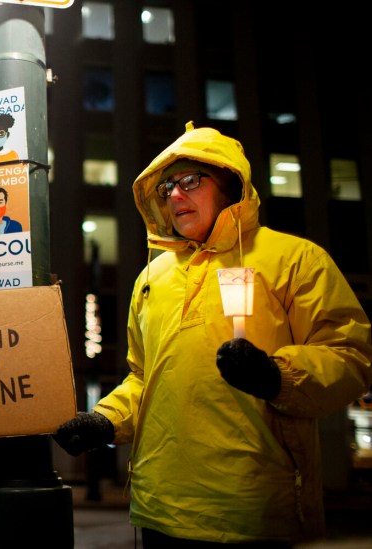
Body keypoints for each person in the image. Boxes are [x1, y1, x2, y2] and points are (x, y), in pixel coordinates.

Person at [53, 121, 372, 547]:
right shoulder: (153, 277)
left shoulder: (295, 258)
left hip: (253, 508)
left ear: (229, 185)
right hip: (159, 508)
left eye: (190, 180)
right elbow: (145, 377)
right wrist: (104, 421)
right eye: (167, 187)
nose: (176, 196)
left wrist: (277, 376)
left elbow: (350, 354)